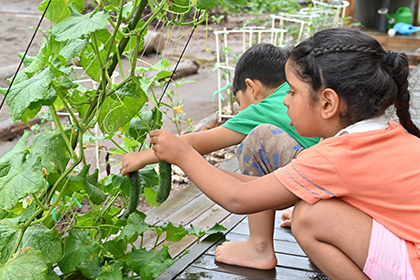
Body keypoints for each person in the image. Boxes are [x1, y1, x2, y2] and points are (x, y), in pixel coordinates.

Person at [147, 27, 420, 280]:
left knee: (310, 218)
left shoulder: (336, 155)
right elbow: (262, 189)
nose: (285, 100)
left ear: (327, 103)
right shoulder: (388, 132)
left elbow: (238, 199)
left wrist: (183, 154)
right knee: (310, 207)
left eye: (291, 91)